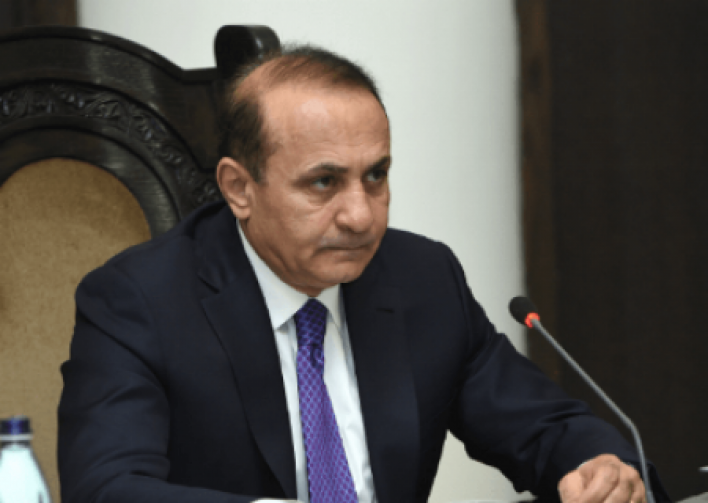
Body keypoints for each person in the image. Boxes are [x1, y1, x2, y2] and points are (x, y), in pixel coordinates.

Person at [58, 45, 669, 503]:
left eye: (375, 176)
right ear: (239, 188)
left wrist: (601, 465)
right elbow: (108, 489)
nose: (360, 215)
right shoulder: (138, 301)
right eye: (323, 182)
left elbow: (544, 425)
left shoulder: (422, 277)